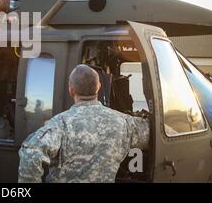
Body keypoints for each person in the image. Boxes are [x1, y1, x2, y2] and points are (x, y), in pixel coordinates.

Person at [18, 64, 150, 183]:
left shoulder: (61, 124)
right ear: (99, 87)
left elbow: (31, 154)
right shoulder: (123, 122)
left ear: (71, 90)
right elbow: (154, 133)